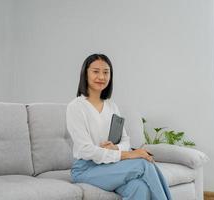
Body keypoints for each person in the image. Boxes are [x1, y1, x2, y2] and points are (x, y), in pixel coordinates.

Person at [66, 54, 172, 200]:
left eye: (106, 72)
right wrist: (127, 155)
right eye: (96, 71)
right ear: (85, 74)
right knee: (142, 164)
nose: (101, 77)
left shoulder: (112, 106)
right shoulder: (76, 107)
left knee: (138, 187)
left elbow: (125, 141)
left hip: (110, 166)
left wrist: (116, 148)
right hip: (86, 169)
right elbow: (85, 150)